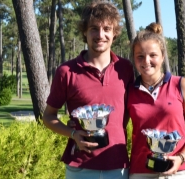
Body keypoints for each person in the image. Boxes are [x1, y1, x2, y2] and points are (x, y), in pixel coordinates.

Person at [42, 1, 134, 179]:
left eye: (107, 28)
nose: (100, 35)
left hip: (117, 165)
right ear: (84, 31)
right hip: (80, 168)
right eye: (94, 28)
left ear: (114, 33)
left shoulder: (126, 69)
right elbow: (48, 116)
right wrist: (73, 133)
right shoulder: (66, 71)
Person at [127, 22, 185, 179]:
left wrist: (181, 157)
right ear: (134, 59)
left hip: (178, 170)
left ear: (162, 57)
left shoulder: (181, 85)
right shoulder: (129, 91)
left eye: (153, 55)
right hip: (141, 172)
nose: (146, 61)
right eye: (140, 56)